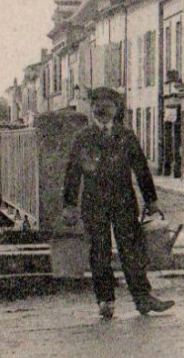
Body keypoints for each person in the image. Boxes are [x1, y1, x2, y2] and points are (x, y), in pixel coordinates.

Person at [63, 86, 174, 320]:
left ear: (116, 110)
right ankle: (105, 301)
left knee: (132, 251)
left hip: (123, 202)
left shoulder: (126, 137)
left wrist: (151, 200)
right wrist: (69, 205)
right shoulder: (83, 139)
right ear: (91, 109)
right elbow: (72, 173)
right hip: (94, 204)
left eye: (108, 106)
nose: (102, 111)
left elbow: (141, 169)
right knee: (99, 252)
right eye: (97, 106)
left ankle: (143, 299)